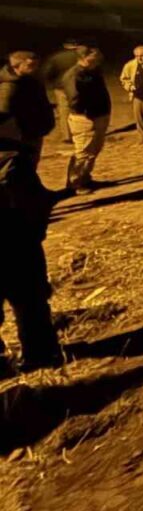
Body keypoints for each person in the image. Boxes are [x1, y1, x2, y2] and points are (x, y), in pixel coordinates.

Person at [0, 136, 62, 374]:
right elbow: (37, 205)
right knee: (30, 305)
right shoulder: (14, 162)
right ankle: (41, 356)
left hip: (16, 243)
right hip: (18, 246)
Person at [63, 47, 111, 193]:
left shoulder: (94, 71)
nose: (99, 59)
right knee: (83, 151)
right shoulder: (75, 75)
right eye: (95, 57)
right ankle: (75, 182)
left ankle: (85, 177)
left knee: (93, 150)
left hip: (98, 115)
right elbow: (75, 99)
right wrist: (87, 111)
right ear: (85, 57)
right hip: (85, 118)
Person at [0, 50, 55, 165]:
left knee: (29, 163)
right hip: (22, 133)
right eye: (30, 65)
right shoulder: (9, 86)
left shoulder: (31, 80)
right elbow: (3, 112)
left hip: (34, 129)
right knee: (22, 164)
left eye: (36, 65)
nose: (35, 68)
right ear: (16, 65)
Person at [41, 39, 82, 145]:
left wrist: (51, 83)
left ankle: (67, 135)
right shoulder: (80, 56)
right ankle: (80, 132)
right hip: (79, 85)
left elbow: (48, 72)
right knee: (79, 108)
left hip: (61, 87)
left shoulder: (56, 57)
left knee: (64, 110)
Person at [120, 45, 143, 143]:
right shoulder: (130, 65)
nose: (139, 58)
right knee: (140, 117)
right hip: (138, 95)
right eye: (137, 56)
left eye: (142, 55)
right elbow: (124, 78)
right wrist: (130, 87)